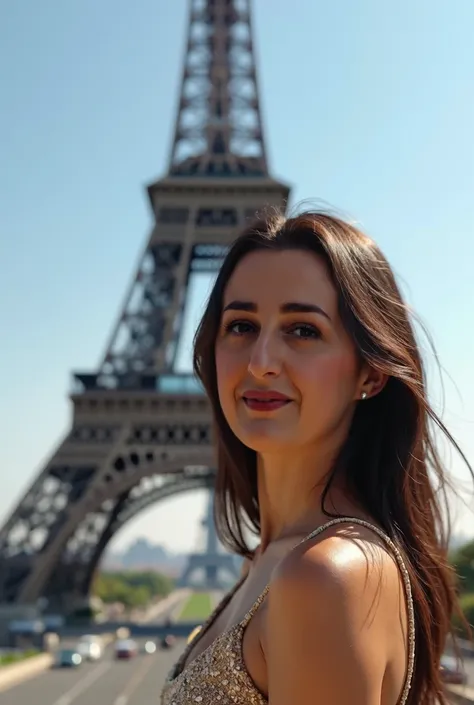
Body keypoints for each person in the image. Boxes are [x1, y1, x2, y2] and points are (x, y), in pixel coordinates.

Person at [161, 210, 472, 705]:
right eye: (241, 325)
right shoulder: (271, 560)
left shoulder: (322, 576)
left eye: (302, 330)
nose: (261, 361)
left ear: (369, 374)